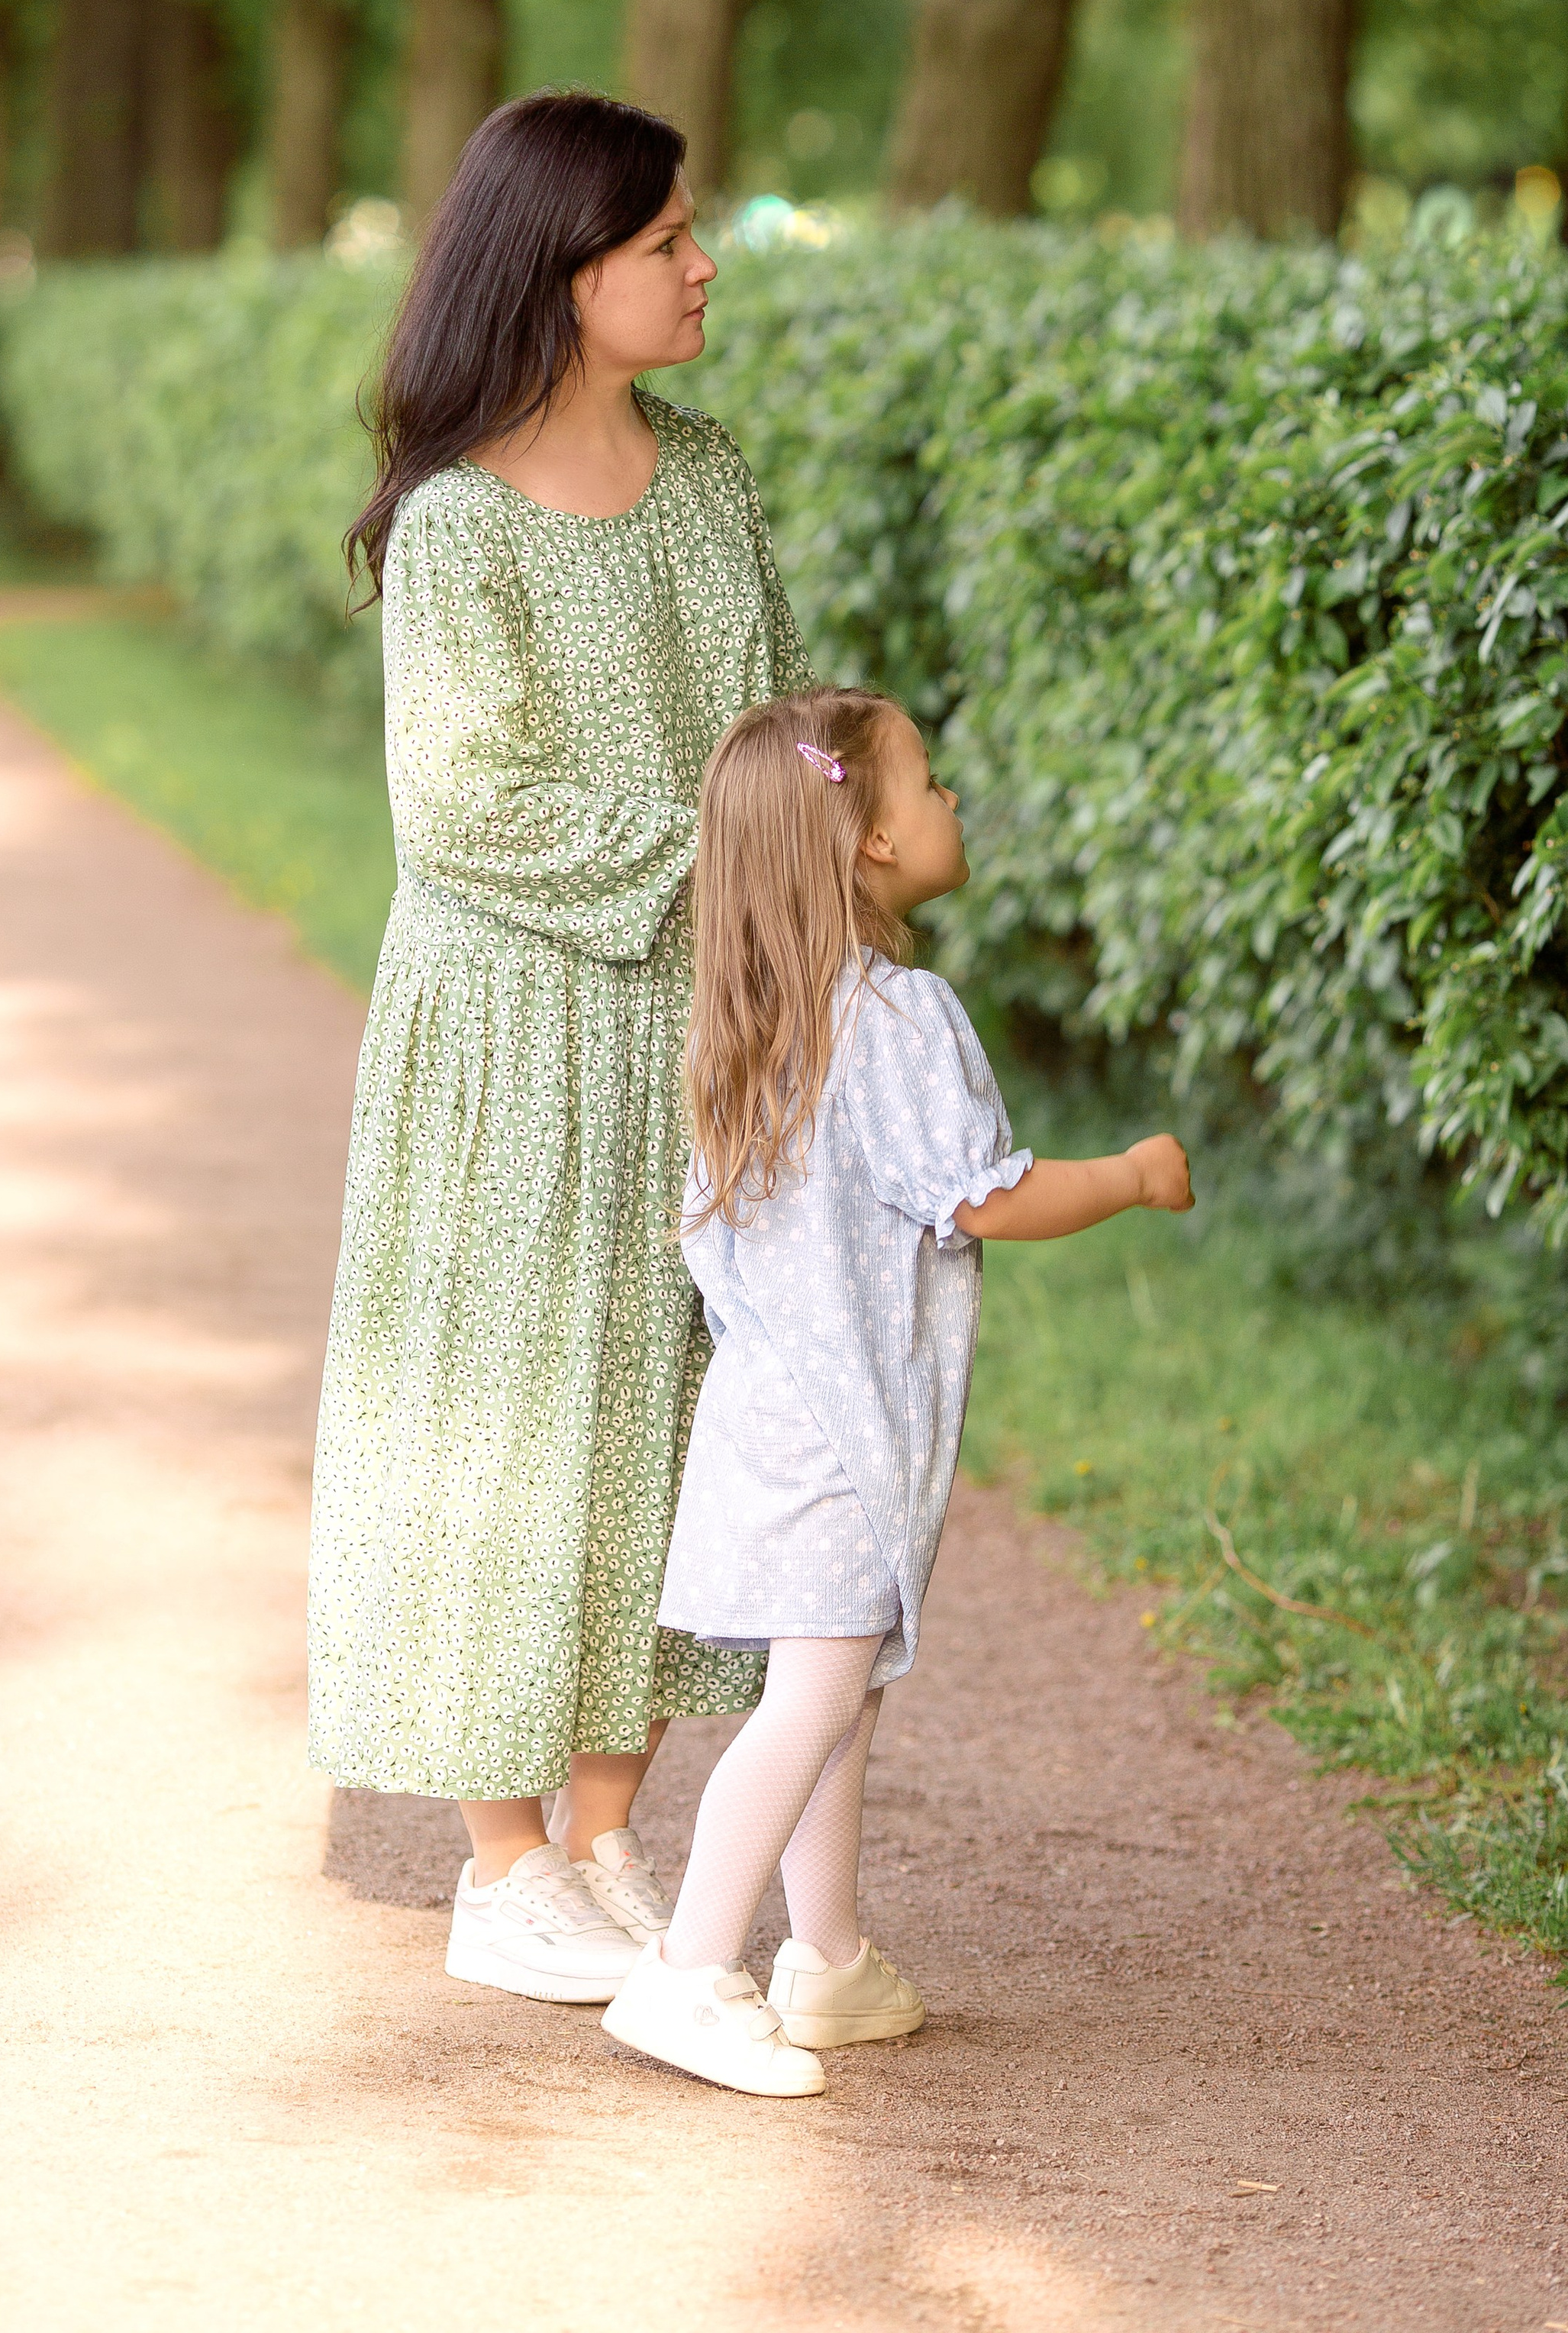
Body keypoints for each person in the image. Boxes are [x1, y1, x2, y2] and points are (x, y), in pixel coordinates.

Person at [309, 90, 811, 2005]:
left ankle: (605, 1828)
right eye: (667, 236)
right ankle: (497, 1859)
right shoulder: (455, 525)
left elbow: (773, 732)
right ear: (563, 264)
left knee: (680, 1416)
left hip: (701, 1019)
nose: (702, 263)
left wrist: (809, 901)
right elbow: (462, 807)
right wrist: (720, 873)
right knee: (508, 1421)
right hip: (515, 1023)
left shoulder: (709, 475)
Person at [601, 686, 1195, 2096]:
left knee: (838, 1688)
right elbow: (982, 1201)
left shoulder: (759, 1022)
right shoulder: (896, 1017)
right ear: (867, 844)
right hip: (836, 1437)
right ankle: (688, 1970)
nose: (951, 807)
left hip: (773, 1416)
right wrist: (1126, 1175)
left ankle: (830, 1959)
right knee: (810, 1703)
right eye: (927, 787)